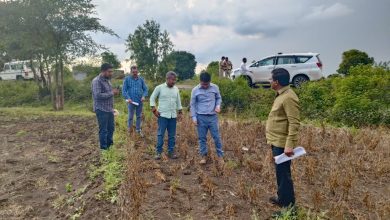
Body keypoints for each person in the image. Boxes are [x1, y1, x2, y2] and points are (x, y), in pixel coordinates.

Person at [266, 68, 300, 211]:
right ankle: (282, 198)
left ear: (276, 82)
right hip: (276, 141)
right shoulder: (281, 94)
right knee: (280, 173)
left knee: (284, 174)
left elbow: (294, 123)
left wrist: (289, 145)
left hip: (282, 144)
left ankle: (289, 208)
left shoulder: (289, 98)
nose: (269, 81)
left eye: (271, 79)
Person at [190, 71, 224, 166]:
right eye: (203, 84)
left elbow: (218, 98)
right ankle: (203, 156)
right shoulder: (195, 90)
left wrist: (218, 106)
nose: (205, 86)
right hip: (200, 117)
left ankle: (220, 156)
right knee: (202, 138)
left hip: (213, 117)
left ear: (210, 81)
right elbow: (192, 105)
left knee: (216, 137)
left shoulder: (215, 87)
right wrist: (194, 117)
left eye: (207, 84)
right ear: (200, 81)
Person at [150, 71, 183, 160]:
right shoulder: (159, 88)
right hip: (162, 115)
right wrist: (154, 110)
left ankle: (171, 152)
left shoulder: (176, 89)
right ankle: (158, 152)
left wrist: (180, 112)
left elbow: (178, 101)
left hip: (173, 116)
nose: (174, 82)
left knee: (172, 135)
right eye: (172, 80)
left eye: (175, 80)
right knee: (161, 134)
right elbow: (152, 98)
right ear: (167, 79)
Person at [91, 63, 120, 150]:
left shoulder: (107, 80)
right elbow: (98, 95)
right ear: (103, 71)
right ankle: (104, 149)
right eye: (109, 72)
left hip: (109, 109)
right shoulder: (97, 81)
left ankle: (110, 146)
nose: (111, 73)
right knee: (103, 130)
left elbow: (107, 93)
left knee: (111, 128)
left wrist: (113, 92)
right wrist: (112, 93)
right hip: (101, 109)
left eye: (111, 72)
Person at [122, 65, 148, 136]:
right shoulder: (127, 79)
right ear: (131, 72)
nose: (135, 73)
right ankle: (130, 131)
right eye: (133, 72)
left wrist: (143, 96)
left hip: (140, 101)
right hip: (131, 101)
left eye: (136, 72)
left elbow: (146, 89)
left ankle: (138, 130)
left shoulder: (141, 79)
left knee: (138, 116)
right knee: (130, 116)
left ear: (138, 71)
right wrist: (128, 98)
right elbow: (124, 90)